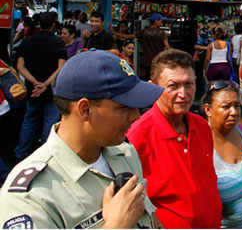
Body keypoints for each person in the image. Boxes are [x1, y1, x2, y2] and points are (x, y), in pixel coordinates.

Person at [0, 50, 164, 228]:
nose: (136, 116)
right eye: (124, 107)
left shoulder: (125, 154)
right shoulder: (32, 195)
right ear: (85, 109)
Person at [127, 49, 223, 228]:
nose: (183, 94)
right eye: (173, 86)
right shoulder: (137, 136)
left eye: (189, 84)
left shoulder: (201, 126)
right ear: (152, 88)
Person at [203, 80, 242, 228]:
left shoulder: (241, 130)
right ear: (208, 110)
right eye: (226, 107)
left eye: (236, 106)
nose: (234, 112)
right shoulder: (201, 144)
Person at [14, 12, 67, 161]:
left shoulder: (27, 41)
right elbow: (61, 68)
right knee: (50, 123)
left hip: (32, 91)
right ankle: (46, 156)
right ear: (53, 25)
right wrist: (45, 84)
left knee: (29, 120)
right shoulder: (58, 43)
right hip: (51, 91)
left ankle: (21, 153)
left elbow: (20, 66)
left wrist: (34, 82)